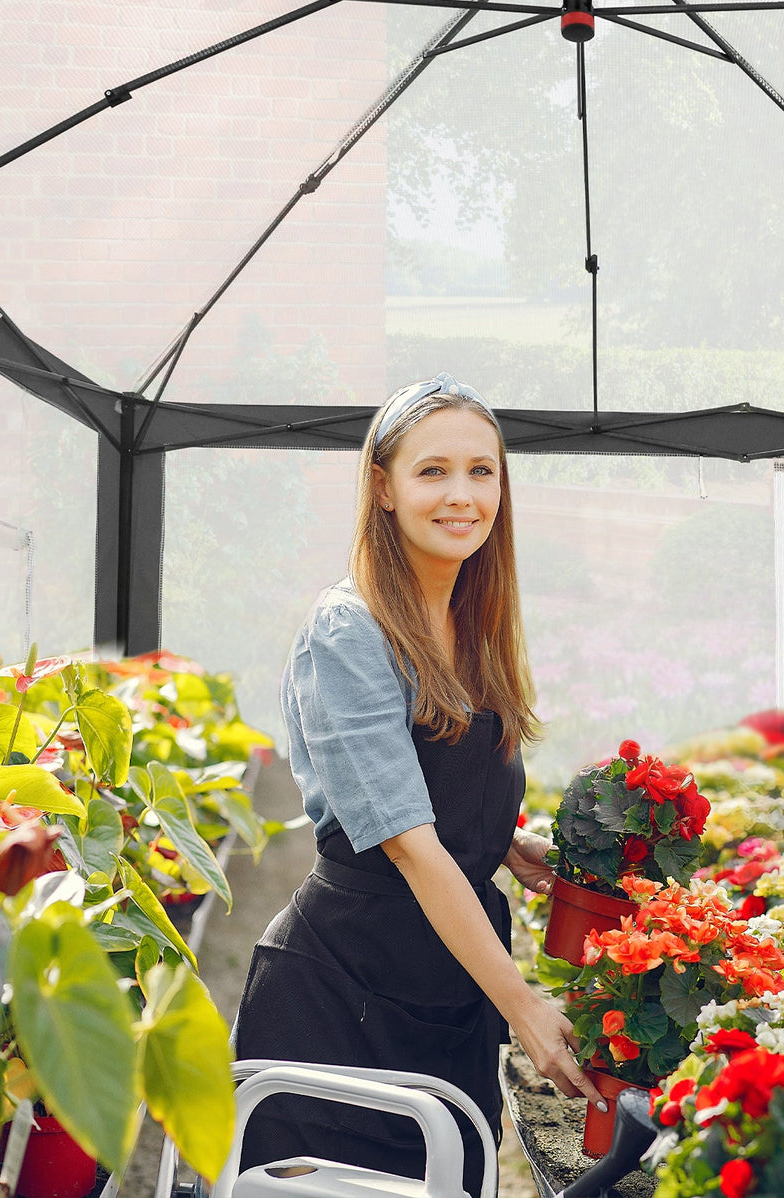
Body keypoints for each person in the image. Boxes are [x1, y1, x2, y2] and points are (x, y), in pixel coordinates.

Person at [234, 373, 603, 1191]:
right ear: (384, 486)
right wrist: (526, 1009)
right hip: (342, 991)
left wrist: (503, 843)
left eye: (482, 471)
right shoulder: (350, 628)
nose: (462, 495)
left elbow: (432, 777)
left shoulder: (472, 618)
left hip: (444, 984)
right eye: (433, 471)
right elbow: (406, 843)